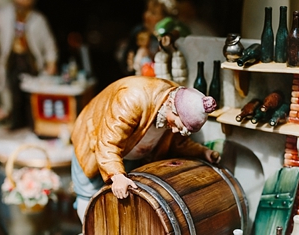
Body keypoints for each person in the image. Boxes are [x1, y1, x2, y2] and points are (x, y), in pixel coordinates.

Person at [69, 76, 219, 220]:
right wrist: (117, 175)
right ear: (170, 105)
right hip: (95, 146)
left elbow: (178, 142)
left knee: (124, 203)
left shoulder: (177, 103)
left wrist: (202, 152)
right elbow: (108, 142)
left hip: (129, 154)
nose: (174, 131)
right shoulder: (132, 98)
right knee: (89, 196)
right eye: (177, 125)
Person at [0, 0, 58, 129]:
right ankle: (16, 122)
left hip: (30, 62)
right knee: (13, 92)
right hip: (12, 60)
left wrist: (51, 62)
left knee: (31, 95)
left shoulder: (38, 20)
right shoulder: (6, 14)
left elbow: (49, 44)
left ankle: (33, 123)